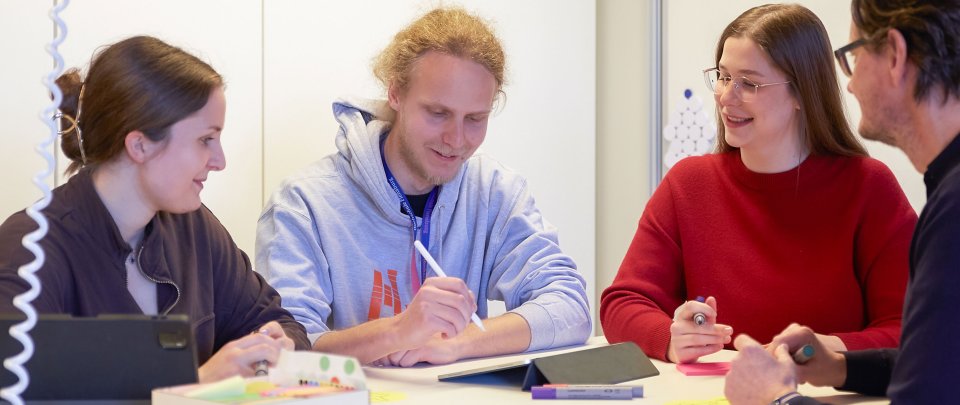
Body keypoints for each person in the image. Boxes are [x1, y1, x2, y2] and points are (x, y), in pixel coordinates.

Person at [255, 6, 591, 367]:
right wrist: (398, 331)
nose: (457, 139)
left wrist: (460, 342)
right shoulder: (303, 204)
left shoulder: (494, 192)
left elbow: (570, 307)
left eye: (475, 119)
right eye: (438, 113)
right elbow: (286, 349)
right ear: (396, 94)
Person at [600, 3, 917, 364]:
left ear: (802, 93)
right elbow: (622, 303)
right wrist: (672, 337)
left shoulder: (868, 187)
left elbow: (909, 329)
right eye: (722, 77)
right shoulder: (687, 184)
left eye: (748, 83)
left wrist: (819, 350)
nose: (725, 96)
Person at [0, 36, 310, 383]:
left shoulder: (194, 227)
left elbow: (278, 322)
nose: (220, 161)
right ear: (140, 144)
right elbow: (18, 389)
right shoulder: (30, 249)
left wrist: (279, 346)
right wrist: (196, 384)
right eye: (206, 139)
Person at [725, 0, 960, 403]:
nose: (847, 84)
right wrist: (840, 366)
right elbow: (940, 365)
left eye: (852, 57)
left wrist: (777, 399)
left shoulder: (952, 212)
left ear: (895, 55)